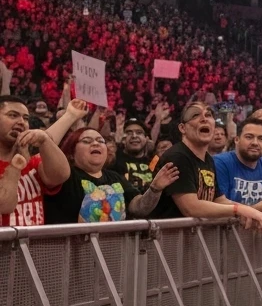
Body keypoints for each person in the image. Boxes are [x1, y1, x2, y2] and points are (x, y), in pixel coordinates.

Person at [150, 102, 262, 232]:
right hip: (167, 243)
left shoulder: (207, 159)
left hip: (191, 242)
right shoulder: (177, 156)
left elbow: (219, 200)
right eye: (195, 115)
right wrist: (238, 210)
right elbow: (191, 207)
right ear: (182, 128)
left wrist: (251, 211)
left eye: (208, 114)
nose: (204, 118)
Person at [44, 127, 179, 223]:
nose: (96, 143)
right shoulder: (64, 176)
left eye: (100, 141)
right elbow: (46, 145)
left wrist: (155, 189)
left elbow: (139, 208)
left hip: (113, 252)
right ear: (71, 153)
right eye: (87, 141)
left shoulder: (115, 177)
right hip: (72, 254)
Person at [0, 95, 70, 226]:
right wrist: (15, 167)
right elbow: (4, 206)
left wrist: (45, 141)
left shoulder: (31, 162)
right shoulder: (22, 161)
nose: (21, 122)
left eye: (25, 118)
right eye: (13, 115)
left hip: (34, 246)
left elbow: (61, 175)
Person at [213, 118, 262, 221]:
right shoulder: (220, 163)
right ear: (237, 140)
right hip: (225, 235)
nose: (255, 143)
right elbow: (218, 206)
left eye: (261, 138)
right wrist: (258, 209)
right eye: (249, 137)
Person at [114, 118, 155, 189]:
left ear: (146, 139)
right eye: (129, 133)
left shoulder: (153, 161)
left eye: (139, 132)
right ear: (123, 139)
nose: (134, 136)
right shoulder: (114, 159)